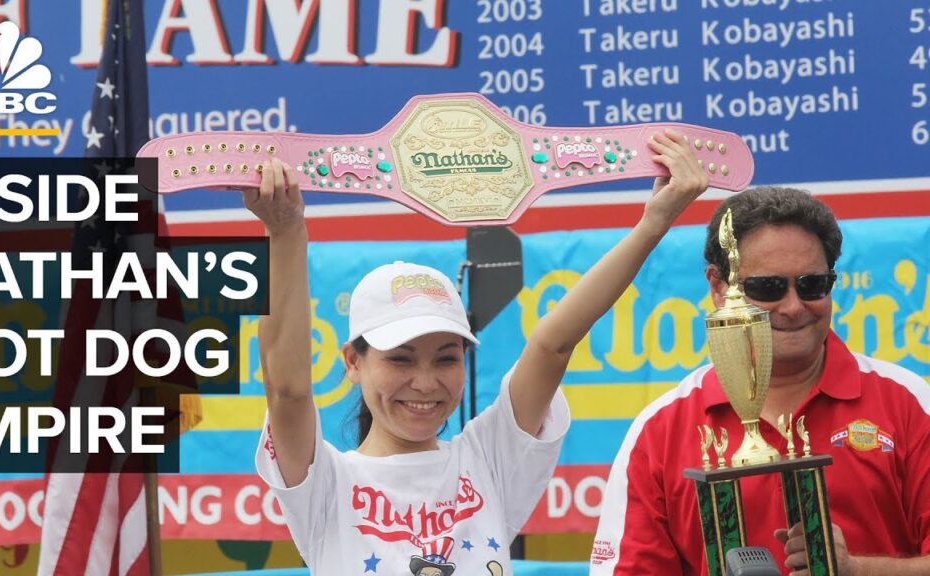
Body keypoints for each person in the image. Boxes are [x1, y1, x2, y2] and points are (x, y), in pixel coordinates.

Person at [245, 129, 709, 575]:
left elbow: (553, 345)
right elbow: (287, 391)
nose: (425, 382)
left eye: (446, 357)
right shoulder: (325, 484)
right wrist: (285, 233)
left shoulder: (488, 460)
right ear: (352, 362)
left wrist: (654, 223)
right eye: (400, 358)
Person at [592, 187, 930, 576]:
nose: (792, 307)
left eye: (812, 285)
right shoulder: (661, 430)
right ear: (719, 287)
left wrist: (857, 569)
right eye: (768, 288)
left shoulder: (908, 403)